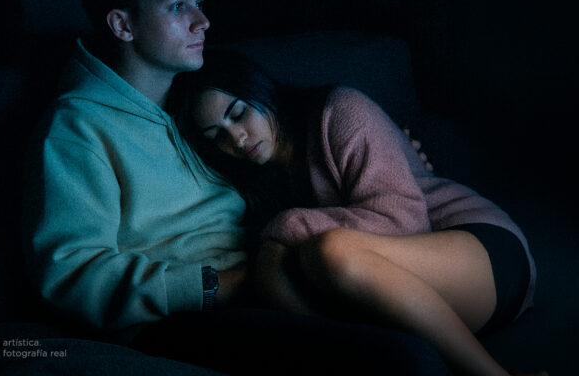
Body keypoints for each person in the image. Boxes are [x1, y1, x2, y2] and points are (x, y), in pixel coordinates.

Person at [24, 0, 453, 374]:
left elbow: (282, 144)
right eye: (178, 5)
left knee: (418, 325)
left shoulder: (195, 105)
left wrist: (394, 151)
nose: (202, 20)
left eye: (199, 2)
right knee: (405, 359)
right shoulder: (77, 127)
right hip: (188, 314)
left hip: (272, 275)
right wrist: (215, 286)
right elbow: (71, 274)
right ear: (123, 25)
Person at [169, 50, 546, 376]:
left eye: (239, 114)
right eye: (216, 136)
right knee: (280, 271)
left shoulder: (339, 111)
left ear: (260, 90)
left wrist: (287, 226)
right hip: (410, 296)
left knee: (330, 250)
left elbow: (405, 220)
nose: (236, 139)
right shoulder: (262, 186)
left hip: (481, 252)